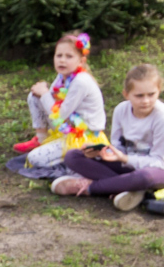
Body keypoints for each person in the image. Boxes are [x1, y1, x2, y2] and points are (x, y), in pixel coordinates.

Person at [52, 63, 164, 212]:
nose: (146, 100)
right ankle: (126, 188)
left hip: (162, 171)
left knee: (144, 177)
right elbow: (118, 146)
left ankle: (92, 187)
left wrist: (124, 159)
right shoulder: (121, 110)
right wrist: (99, 150)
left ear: (158, 91)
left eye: (151, 94)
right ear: (126, 94)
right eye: (139, 95)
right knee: (73, 156)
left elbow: (159, 162)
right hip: (127, 164)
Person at [13, 31, 106, 168]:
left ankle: (73, 159)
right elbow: (51, 103)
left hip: (82, 135)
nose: (62, 60)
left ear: (81, 61)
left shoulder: (81, 81)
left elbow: (61, 114)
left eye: (69, 56)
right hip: (66, 126)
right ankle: (41, 139)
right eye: (59, 55)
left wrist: (44, 93)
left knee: (34, 159)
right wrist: (43, 93)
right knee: (34, 96)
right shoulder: (62, 75)